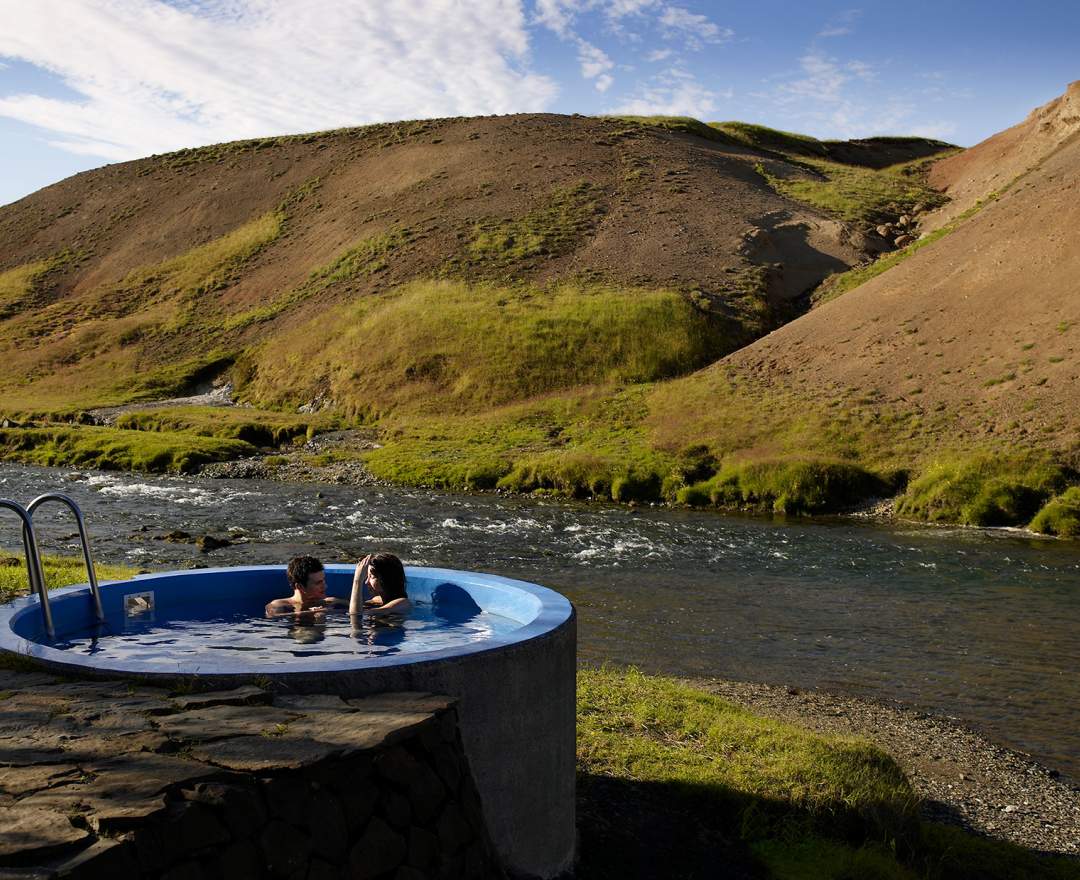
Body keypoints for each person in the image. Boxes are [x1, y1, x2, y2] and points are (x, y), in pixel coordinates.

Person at [265, 555, 346, 617]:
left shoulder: (331, 601)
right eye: (318, 583)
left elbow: (356, 610)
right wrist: (310, 613)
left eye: (323, 580)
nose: (325, 586)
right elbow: (271, 615)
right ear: (300, 586)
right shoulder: (279, 605)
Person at [350, 552, 411, 618]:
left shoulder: (403, 603)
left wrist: (357, 581)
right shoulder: (377, 599)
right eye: (367, 576)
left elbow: (356, 615)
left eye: (372, 577)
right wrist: (339, 601)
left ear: (387, 579)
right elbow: (356, 606)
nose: (366, 582)